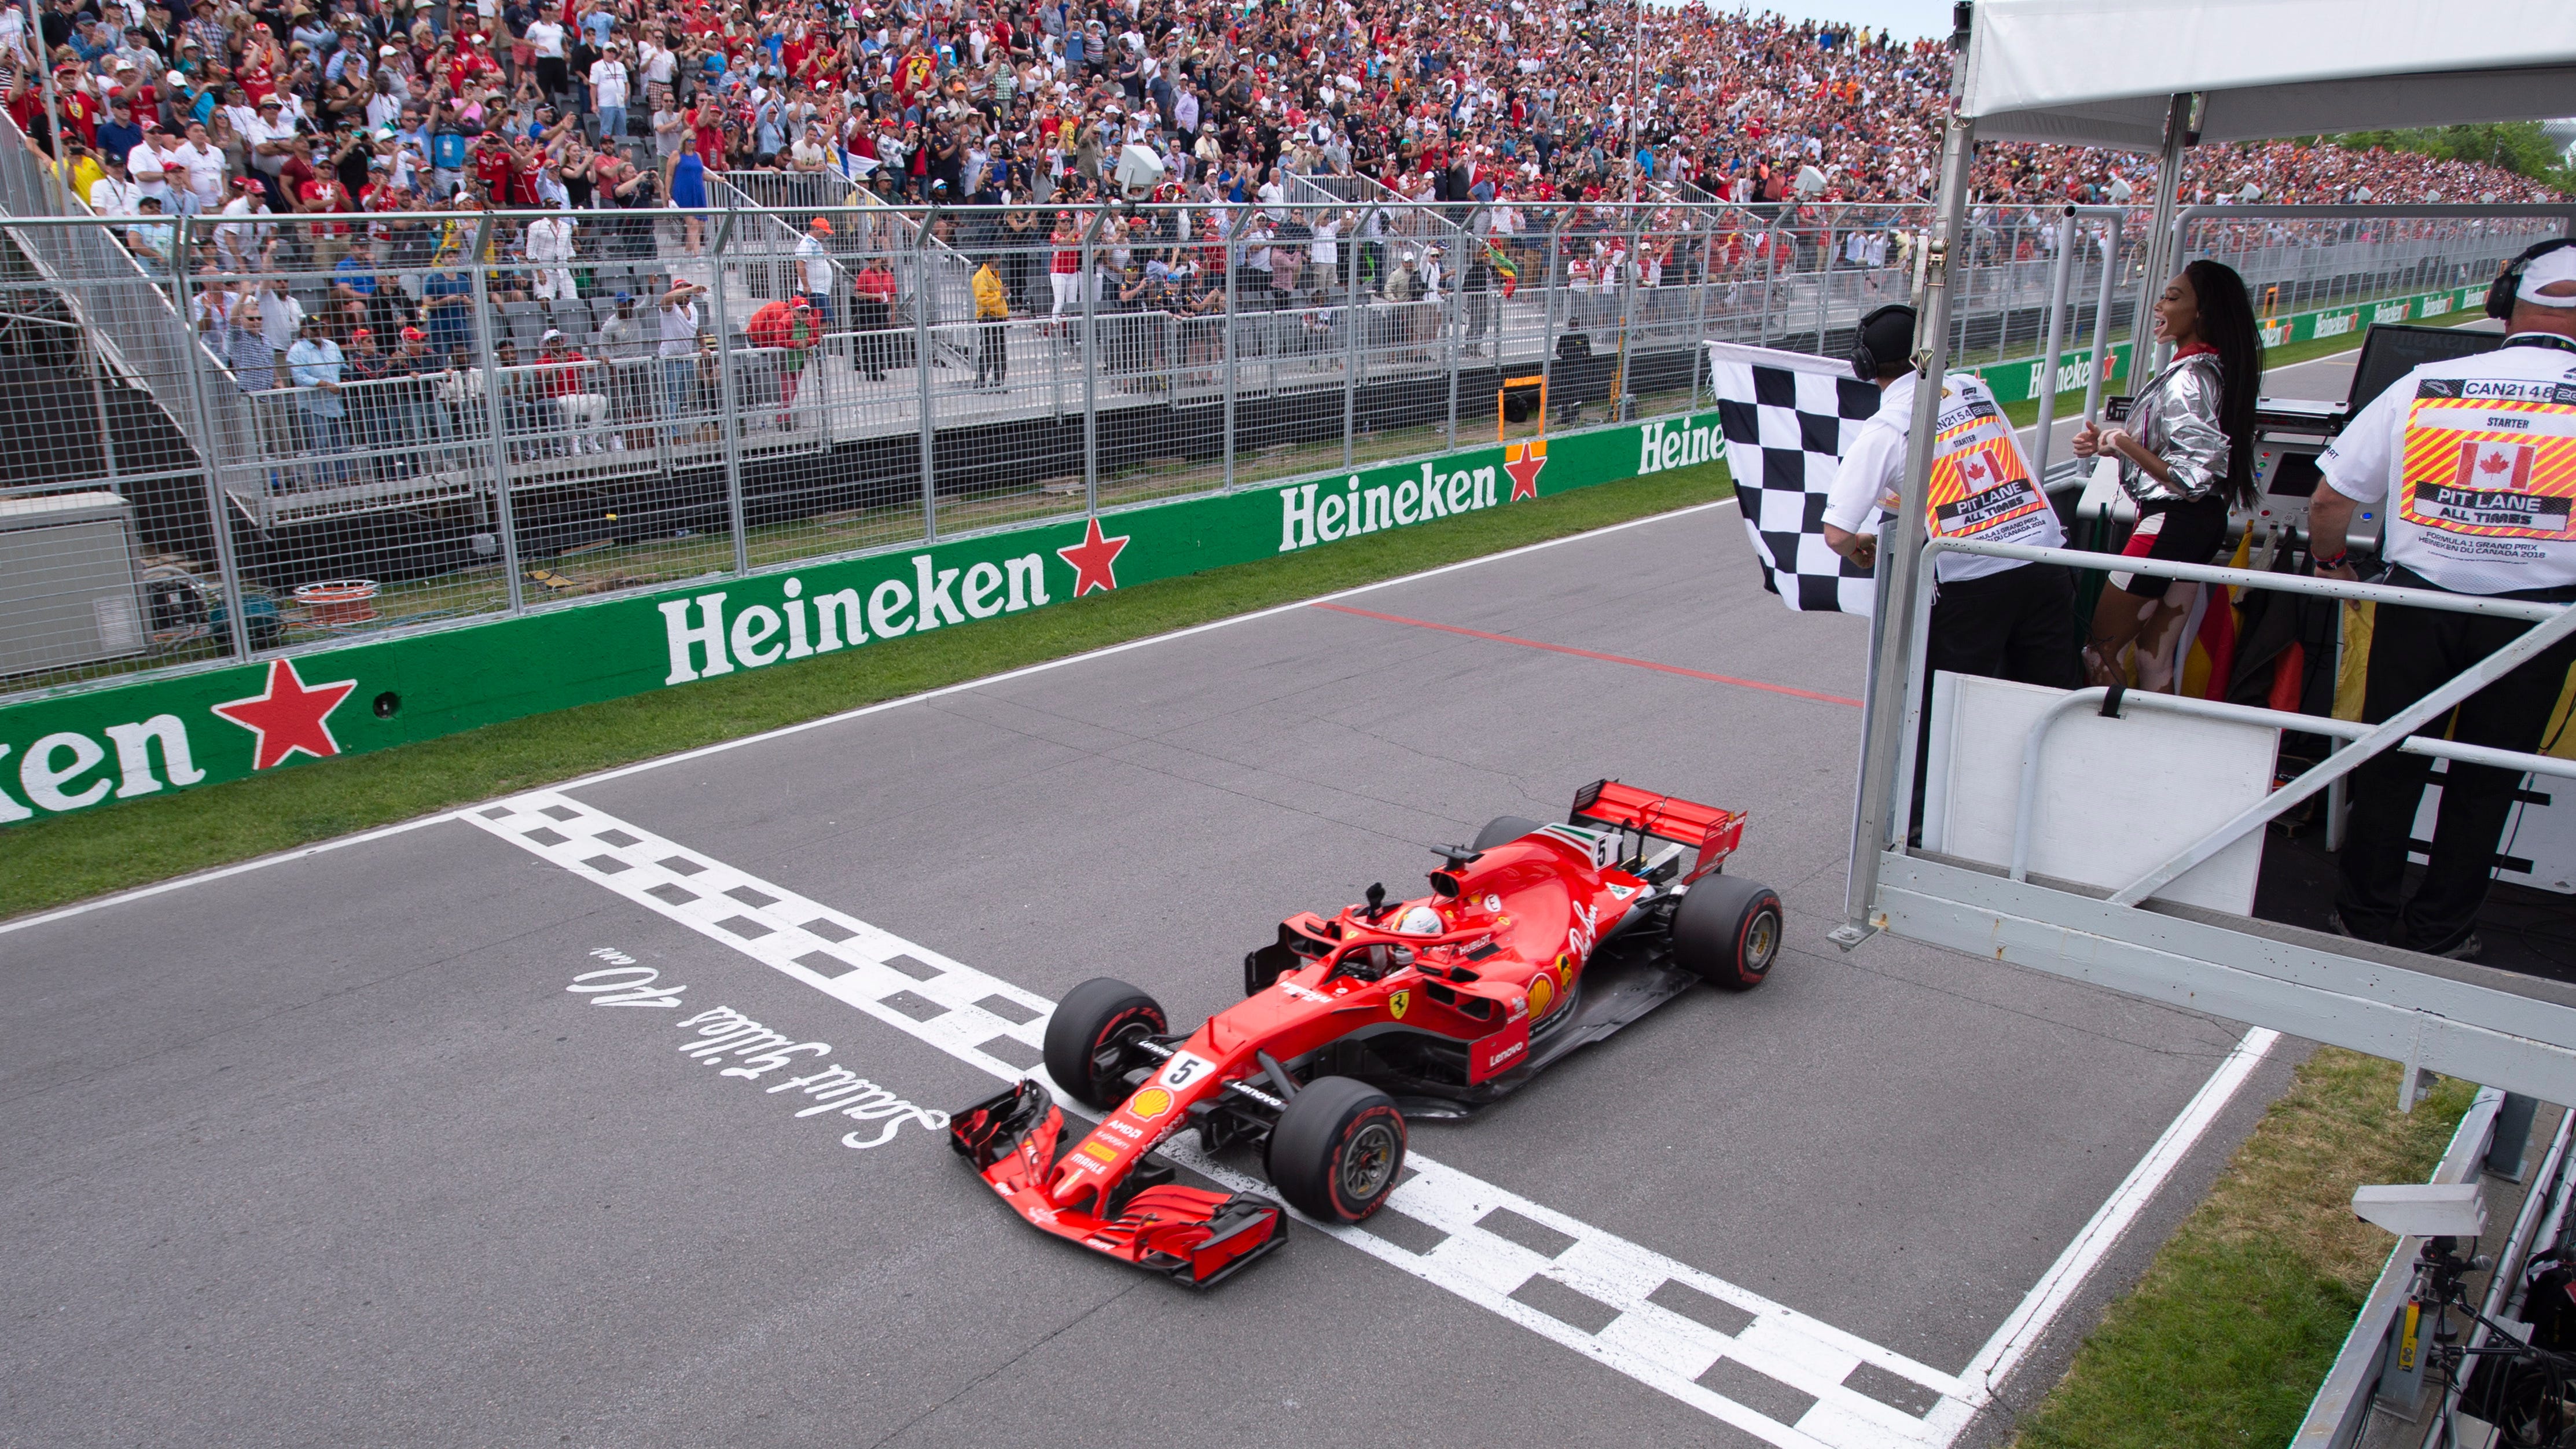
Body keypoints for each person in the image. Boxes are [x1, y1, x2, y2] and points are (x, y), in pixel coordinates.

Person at [2308, 240, 2576, 960]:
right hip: (2538, 618)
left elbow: (2329, 501)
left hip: (2417, 603)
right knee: (2485, 782)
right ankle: (2442, 932)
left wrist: (2332, 564)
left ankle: (2359, 920)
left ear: (2505, 302)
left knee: (2388, 762)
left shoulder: (2425, 382)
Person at [1824, 303, 2081, 692]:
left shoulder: (1886, 429)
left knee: (1946, 710)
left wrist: (1857, 548)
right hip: (2045, 558)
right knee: (2050, 698)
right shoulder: (1973, 388)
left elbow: (1837, 535)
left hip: (1971, 580)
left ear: (1864, 365)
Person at [2069, 259, 2262, 692]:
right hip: (2199, 526)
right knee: (2153, 659)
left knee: (2099, 652)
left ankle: (2108, 734)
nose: (2159, 305)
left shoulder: (2189, 377)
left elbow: (2190, 479)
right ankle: (2157, 731)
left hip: (2170, 524)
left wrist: (2122, 442)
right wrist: (2110, 446)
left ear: (2202, 312)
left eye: (2172, 298)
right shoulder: (2212, 368)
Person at [971, 252, 1008, 388]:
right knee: (988, 351)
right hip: (988, 318)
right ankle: (980, 382)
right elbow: (983, 300)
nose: (1000, 261)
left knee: (1000, 352)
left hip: (998, 318)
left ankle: (998, 383)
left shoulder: (994, 276)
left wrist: (1005, 314)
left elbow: (998, 298)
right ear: (992, 259)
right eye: (998, 258)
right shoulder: (981, 276)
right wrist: (1000, 294)